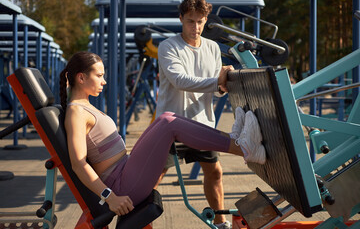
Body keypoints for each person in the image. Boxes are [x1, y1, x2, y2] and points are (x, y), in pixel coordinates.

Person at [59, 51, 266, 220]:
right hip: (120, 185)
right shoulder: (76, 112)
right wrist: (110, 197)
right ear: (81, 77)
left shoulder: (85, 106)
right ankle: (244, 148)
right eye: (99, 75)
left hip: (125, 170)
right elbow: (78, 164)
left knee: (166, 116)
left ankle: (234, 138)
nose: (104, 81)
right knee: (168, 124)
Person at [155, 0, 236, 228]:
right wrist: (217, 82)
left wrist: (223, 85)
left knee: (215, 172)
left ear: (206, 20)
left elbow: (217, 89)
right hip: (173, 125)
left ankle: (221, 222)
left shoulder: (212, 48)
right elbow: (180, 80)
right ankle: (133, 219)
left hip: (201, 124)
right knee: (154, 176)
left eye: (200, 22)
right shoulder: (168, 46)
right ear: (181, 19)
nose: (196, 27)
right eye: (191, 21)